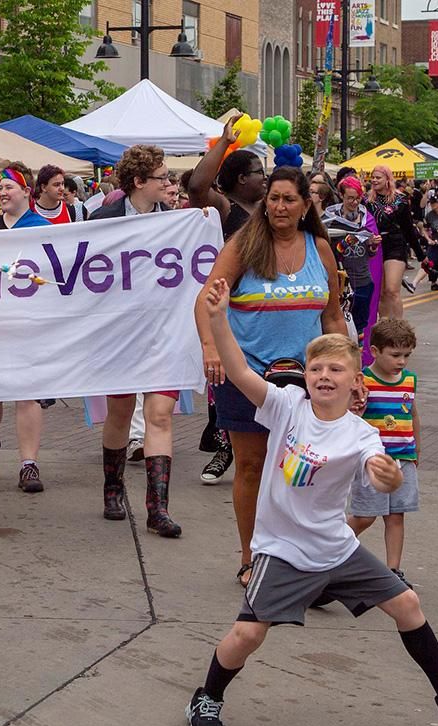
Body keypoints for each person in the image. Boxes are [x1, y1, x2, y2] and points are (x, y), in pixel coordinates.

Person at [185, 287, 438, 726]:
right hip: (282, 550)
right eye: (315, 367)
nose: (323, 375)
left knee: (407, 604)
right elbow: (238, 371)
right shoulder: (285, 407)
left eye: (335, 368)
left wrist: (389, 478)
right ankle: (207, 697)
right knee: (248, 636)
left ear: (356, 380)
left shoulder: (361, 434)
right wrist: (219, 319)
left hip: (335, 547)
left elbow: (380, 476)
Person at [194, 167, 346, 586]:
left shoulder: (319, 247)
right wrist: (210, 348)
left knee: (303, 471)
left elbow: (332, 315)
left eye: (289, 200)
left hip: (309, 383)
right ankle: (251, 558)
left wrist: (350, 370)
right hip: (247, 376)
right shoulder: (245, 244)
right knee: (251, 467)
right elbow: (206, 299)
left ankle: (298, 556)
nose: (279, 207)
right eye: (273, 198)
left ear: (304, 205)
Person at [89, 144, 183, 537]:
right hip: (120, 333)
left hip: (163, 331)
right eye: (162, 177)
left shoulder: (179, 222)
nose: (169, 184)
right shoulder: (101, 220)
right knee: (121, 412)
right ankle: (113, 488)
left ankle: (157, 508)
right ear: (138, 181)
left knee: (159, 414)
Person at [188, 117, 270, 483]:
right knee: (227, 382)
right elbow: (197, 185)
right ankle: (225, 448)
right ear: (240, 180)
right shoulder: (226, 210)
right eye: (257, 172)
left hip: (268, 314)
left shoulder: (272, 211)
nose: (264, 178)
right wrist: (224, 144)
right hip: (232, 312)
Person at [0, 168, 51, 493]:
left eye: (8, 187)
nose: (2, 193)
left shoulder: (43, 229)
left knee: (26, 392)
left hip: (28, 321)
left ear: (26, 191)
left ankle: (28, 465)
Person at [347, 319, 420, 586]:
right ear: (375, 351)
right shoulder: (363, 380)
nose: (401, 361)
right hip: (373, 461)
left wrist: (416, 449)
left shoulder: (410, 380)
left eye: (406, 355)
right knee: (365, 516)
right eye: (395, 355)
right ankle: (328, 547)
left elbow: (412, 414)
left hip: (404, 457)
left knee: (396, 515)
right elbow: (352, 417)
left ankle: (393, 571)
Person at [323, 176, 381, 334]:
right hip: (340, 282)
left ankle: (359, 357)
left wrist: (373, 245)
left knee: (360, 326)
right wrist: (346, 242)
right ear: (341, 196)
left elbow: (369, 253)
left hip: (363, 279)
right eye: (350, 198)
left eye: (358, 198)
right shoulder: (330, 220)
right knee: (340, 326)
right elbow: (328, 253)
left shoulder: (366, 217)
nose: (355, 202)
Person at [366, 165, 424, 319]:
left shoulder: (401, 200)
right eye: (373, 177)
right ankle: (384, 328)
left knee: (392, 289)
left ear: (387, 179)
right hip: (375, 245)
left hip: (395, 245)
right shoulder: (367, 201)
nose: (374, 180)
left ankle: (399, 326)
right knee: (381, 292)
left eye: (378, 177)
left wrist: (420, 255)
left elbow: (408, 229)